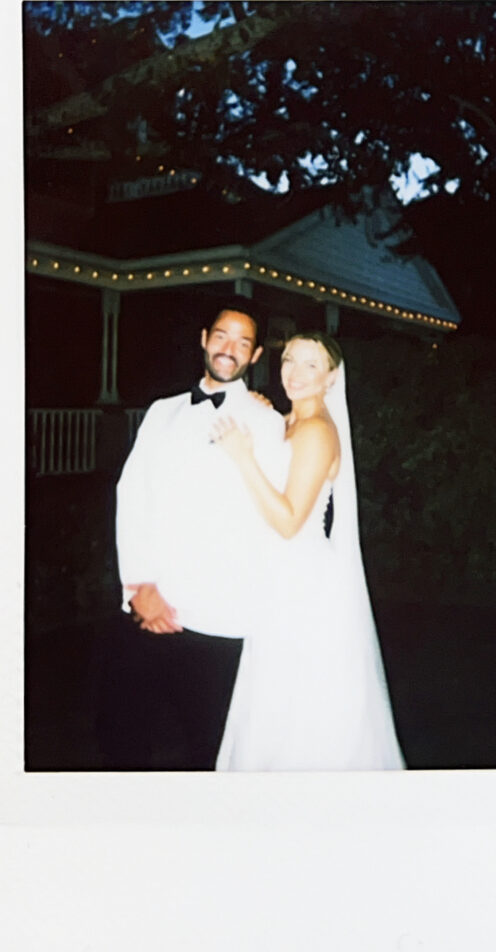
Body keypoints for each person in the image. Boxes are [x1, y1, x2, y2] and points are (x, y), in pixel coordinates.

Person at [95, 303, 286, 769]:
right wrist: (139, 587)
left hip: (220, 616)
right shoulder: (162, 412)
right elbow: (132, 494)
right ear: (204, 339)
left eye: (243, 343)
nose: (229, 349)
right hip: (150, 603)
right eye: (222, 336)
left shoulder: (267, 422)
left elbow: (270, 519)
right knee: (122, 737)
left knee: (208, 749)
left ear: (256, 354)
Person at [210, 332, 405, 770]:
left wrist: (243, 457)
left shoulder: (316, 431)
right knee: (276, 699)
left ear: (331, 377)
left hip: (303, 583)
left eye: (310, 365)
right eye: (289, 360)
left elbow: (288, 520)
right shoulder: (290, 421)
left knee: (297, 708)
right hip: (281, 577)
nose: (294, 373)